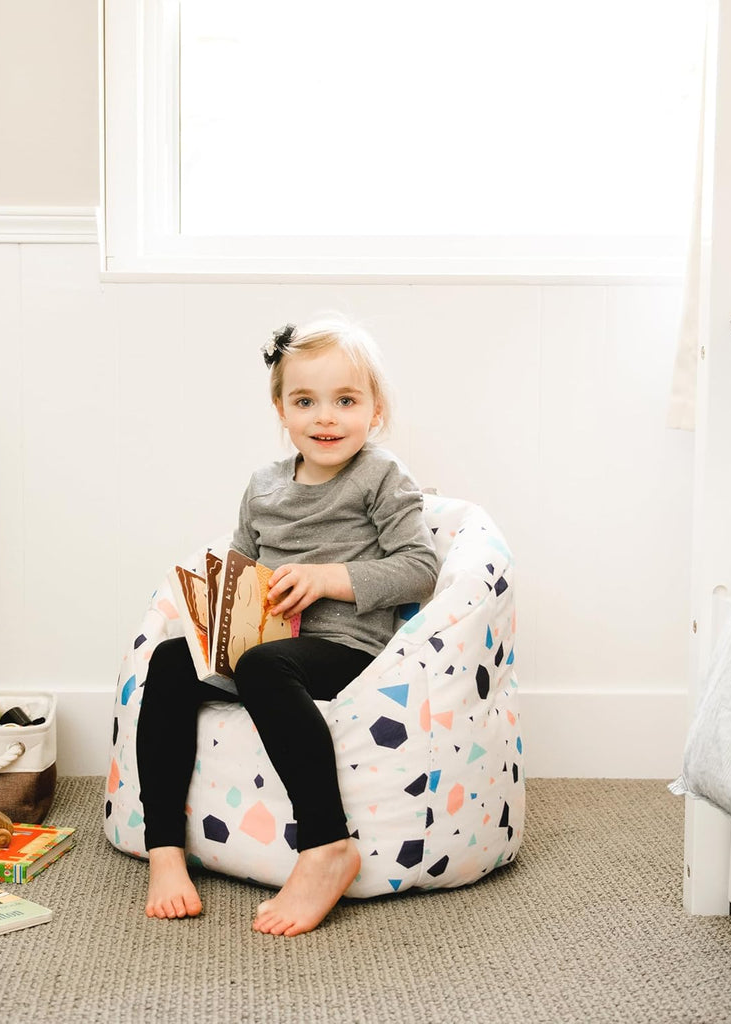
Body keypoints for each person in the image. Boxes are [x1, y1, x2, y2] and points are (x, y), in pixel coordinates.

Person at [135, 315, 439, 936]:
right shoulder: (264, 486)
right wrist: (214, 617)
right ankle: (163, 847)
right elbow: (242, 572)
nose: (326, 417)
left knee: (263, 667)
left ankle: (328, 845)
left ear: (375, 411)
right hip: (261, 646)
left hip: (344, 647)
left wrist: (329, 578)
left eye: (346, 401)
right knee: (169, 661)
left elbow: (420, 568)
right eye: (306, 401)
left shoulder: (380, 476)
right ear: (281, 408)